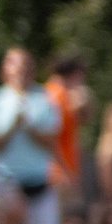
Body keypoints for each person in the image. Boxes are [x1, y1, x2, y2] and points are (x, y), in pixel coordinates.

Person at [0, 47, 61, 224]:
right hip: (6, 181)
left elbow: (50, 140)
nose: (20, 70)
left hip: (39, 179)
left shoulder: (45, 98)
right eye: (15, 64)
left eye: (25, 65)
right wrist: (13, 126)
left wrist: (29, 127)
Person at [42, 53, 88, 214]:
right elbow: (50, 139)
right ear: (75, 75)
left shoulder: (52, 93)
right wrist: (65, 172)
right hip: (57, 173)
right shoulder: (57, 97)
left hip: (60, 171)